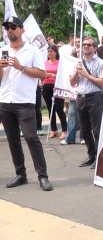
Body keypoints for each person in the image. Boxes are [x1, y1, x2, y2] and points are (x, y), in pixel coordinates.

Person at [0, 16, 53, 191]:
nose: (10, 30)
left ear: (22, 30)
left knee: (31, 137)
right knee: (13, 140)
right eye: (7, 28)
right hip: (5, 101)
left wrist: (20, 67)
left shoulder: (32, 50)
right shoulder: (3, 50)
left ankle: (43, 176)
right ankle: (21, 174)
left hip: (24, 102)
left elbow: (42, 74)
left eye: (13, 27)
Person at [70, 36, 103, 169]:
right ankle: (91, 155)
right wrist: (77, 72)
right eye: (84, 44)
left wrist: (86, 75)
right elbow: (72, 83)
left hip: (94, 97)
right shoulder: (78, 62)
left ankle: (100, 157)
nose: (86, 46)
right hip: (80, 97)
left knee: (97, 130)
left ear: (95, 48)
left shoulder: (100, 63)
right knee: (84, 130)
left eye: (89, 45)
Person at [42, 45, 67, 139]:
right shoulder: (44, 63)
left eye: (51, 51)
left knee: (59, 108)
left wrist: (52, 75)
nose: (49, 53)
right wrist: (51, 75)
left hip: (57, 86)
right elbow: (43, 74)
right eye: (48, 51)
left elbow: (62, 74)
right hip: (46, 86)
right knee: (50, 109)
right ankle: (54, 129)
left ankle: (64, 130)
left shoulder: (60, 63)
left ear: (56, 52)